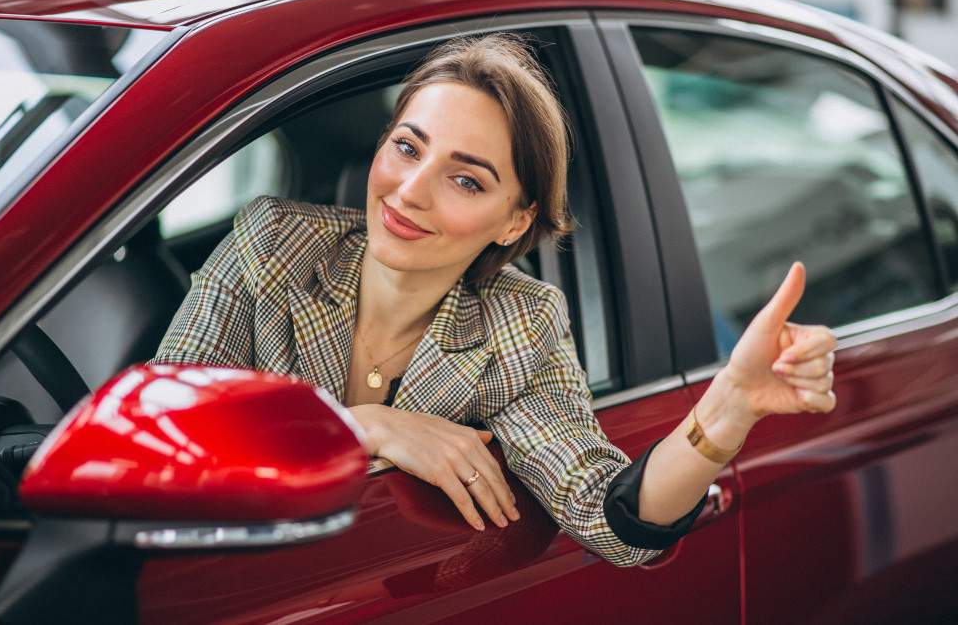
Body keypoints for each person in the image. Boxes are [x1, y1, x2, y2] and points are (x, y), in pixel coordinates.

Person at [152, 33, 836, 567]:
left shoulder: (520, 325)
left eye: (468, 181)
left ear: (515, 221)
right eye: (407, 147)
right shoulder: (274, 242)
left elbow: (613, 521)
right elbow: (163, 429)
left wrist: (729, 406)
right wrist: (363, 425)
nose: (411, 189)